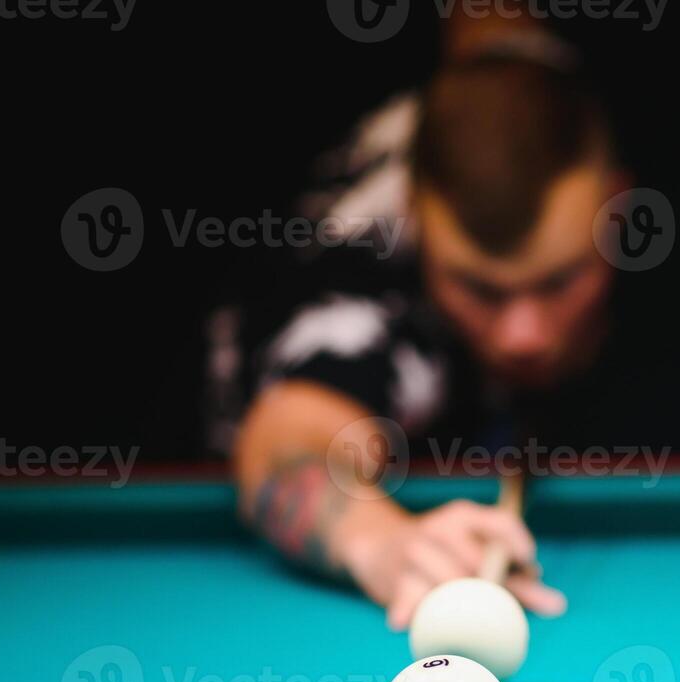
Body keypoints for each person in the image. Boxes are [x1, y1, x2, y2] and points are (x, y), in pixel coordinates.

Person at [227, 18, 627, 630]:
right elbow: (287, 444)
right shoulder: (367, 304)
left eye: (559, 280)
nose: (524, 335)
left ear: (617, 209)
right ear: (419, 224)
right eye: (479, 288)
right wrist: (377, 538)